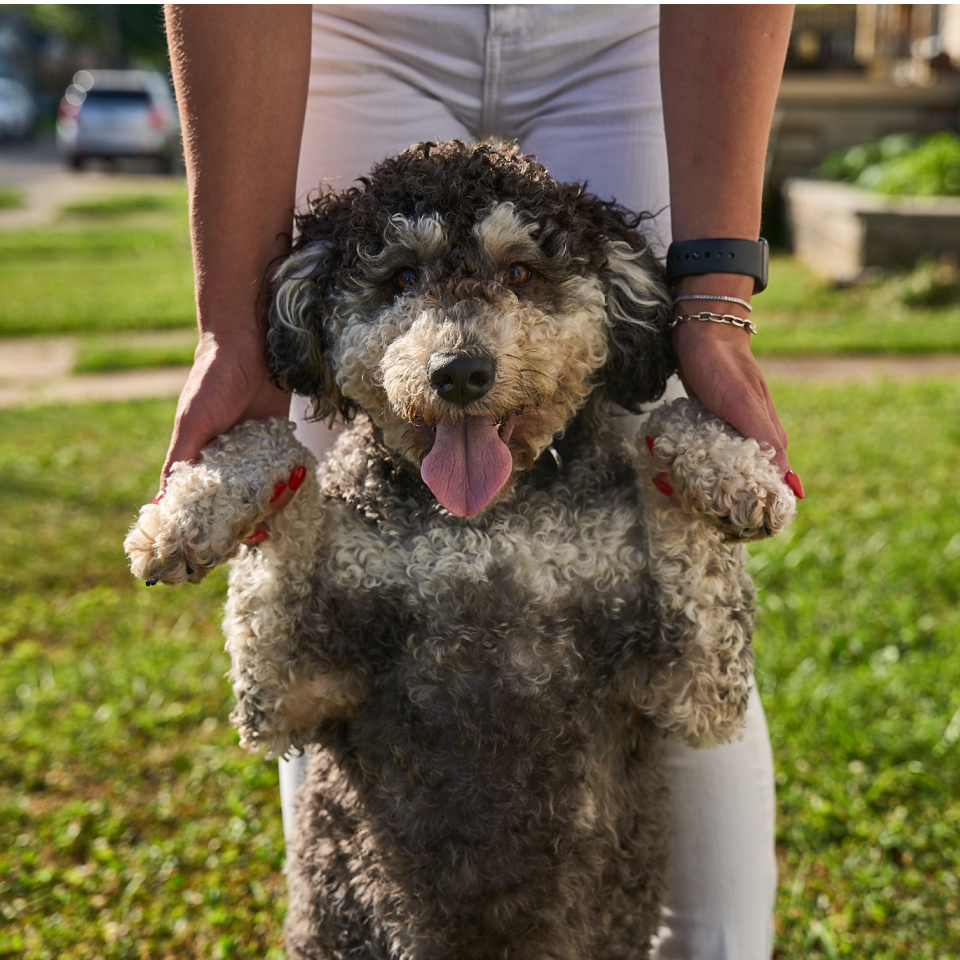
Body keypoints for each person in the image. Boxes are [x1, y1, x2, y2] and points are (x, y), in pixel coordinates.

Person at [161, 6, 798, 958]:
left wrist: (711, 304)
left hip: (633, 25)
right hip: (345, 22)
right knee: (326, 526)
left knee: (657, 524)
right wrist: (233, 329)